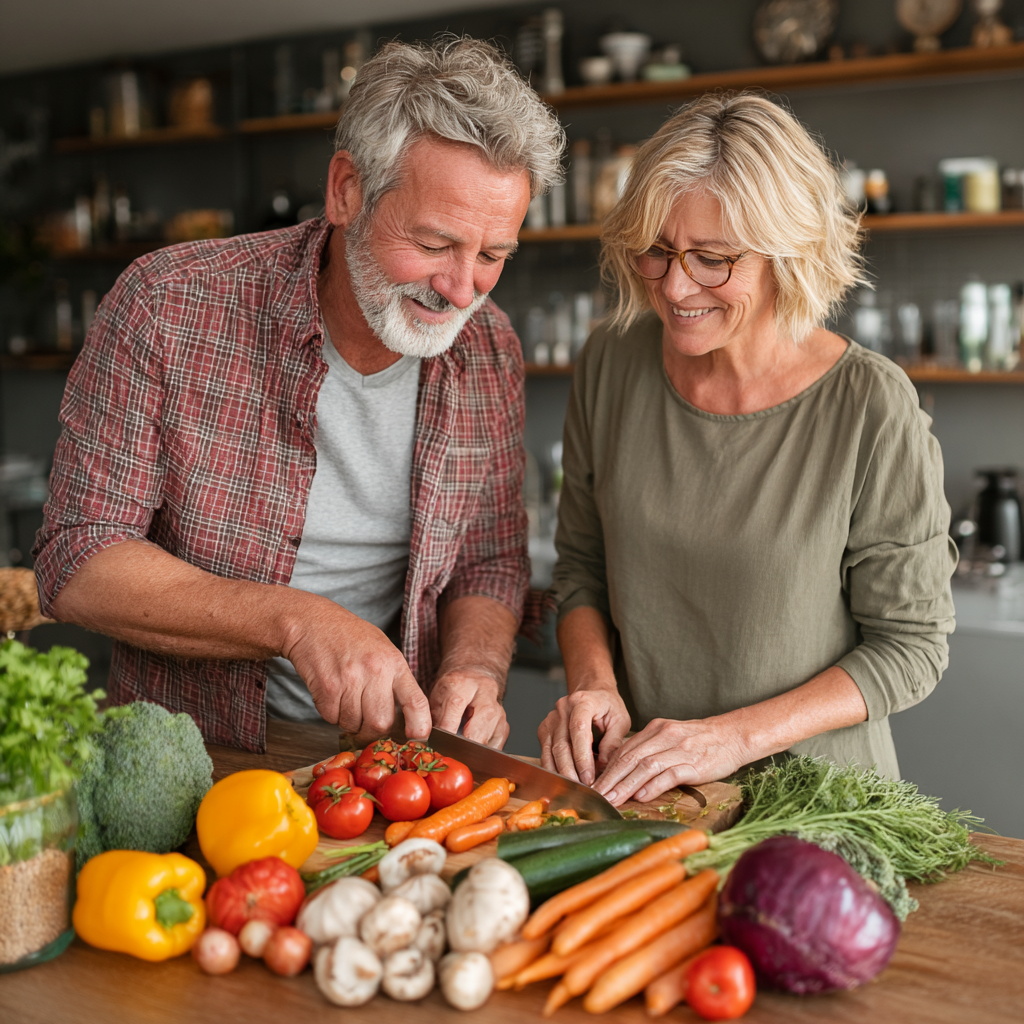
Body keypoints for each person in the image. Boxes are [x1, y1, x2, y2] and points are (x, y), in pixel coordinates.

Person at [34, 38, 565, 752]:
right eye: (436, 244)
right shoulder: (168, 304)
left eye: (494, 255)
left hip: (400, 761)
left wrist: (475, 667)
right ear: (347, 189)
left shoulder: (489, 346)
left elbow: (490, 561)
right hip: (199, 752)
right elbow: (79, 558)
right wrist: (298, 620)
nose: (462, 288)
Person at [540, 93, 956, 805]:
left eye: (713, 259)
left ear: (786, 255)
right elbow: (582, 567)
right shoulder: (611, 360)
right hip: (653, 799)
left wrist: (730, 738)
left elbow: (912, 648)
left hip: (816, 810)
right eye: (657, 250)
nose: (674, 286)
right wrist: (592, 685)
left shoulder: (870, 405)